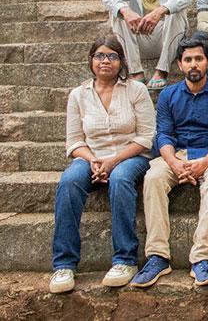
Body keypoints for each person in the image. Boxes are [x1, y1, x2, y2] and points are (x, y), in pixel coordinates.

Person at [49, 35, 155, 294]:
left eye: (112, 56)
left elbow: (146, 137)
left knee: (120, 178)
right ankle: (64, 264)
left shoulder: (136, 90)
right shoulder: (78, 95)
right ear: (91, 60)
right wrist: (94, 160)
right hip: (91, 158)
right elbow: (74, 141)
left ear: (121, 62)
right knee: (69, 181)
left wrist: (114, 161)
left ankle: (125, 260)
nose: (105, 61)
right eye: (100, 56)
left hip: (131, 157)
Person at [131, 38, 208, 288]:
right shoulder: (168, 95)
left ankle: (201, 258)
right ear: (179, 64)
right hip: (176, 154)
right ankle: (158, 257)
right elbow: (164, 134)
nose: (193, 64)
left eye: (199, 58)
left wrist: (204, 163)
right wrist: (175, 163)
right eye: (188, 59)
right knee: (153, 177)